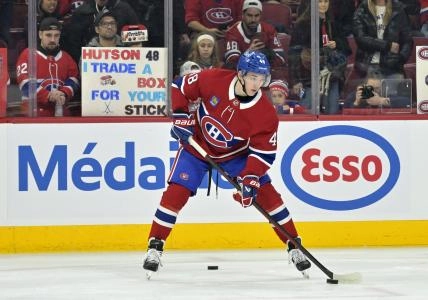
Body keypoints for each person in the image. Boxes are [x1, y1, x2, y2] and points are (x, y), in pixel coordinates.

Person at [142, 50, 311, 278]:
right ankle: (155, 246)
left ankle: (294, 246)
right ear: (240, 74)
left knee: (268, 195)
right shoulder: (213, 79)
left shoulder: (265, 114)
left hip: (236, 156)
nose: (258, 83)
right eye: (253, 77)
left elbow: (262, 153)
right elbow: (180, 86)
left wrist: (250, 178)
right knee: (176, 192)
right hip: (197, 146)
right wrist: (181, 115)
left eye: (262, 78)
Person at [16, 17, 80, 117]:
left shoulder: (67, 57)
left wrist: (64, 92)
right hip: (32, 113)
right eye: (48, 35)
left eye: (56, 35)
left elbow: (74, 80)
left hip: (61, 111)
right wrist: (48, 95)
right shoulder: (27, 55)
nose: (52, 39)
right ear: (40, 34)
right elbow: (25, 84)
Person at [352, 0, 413, 80]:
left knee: (396, 92)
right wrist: (387, 45)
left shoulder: (398, 8)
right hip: (368, 66)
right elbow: (361, 38)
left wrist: (401, 58)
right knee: (368, 92)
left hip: (393, 67)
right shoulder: (363, 9)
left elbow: (407, 40)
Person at [63, 0, 139, 63]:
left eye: (112, 23)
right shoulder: (81, 12)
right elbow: (73, 42)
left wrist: (134, 50)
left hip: (123, 58)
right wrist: (83, 60)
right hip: (91, 59)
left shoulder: (124, 9)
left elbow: (137, 35)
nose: (109, 26)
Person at [224, 0, 286, 69]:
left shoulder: (269, 30)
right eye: (249, 15)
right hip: (242, 75)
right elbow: (231, 63)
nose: (253, 20)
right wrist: (249, 53)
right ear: (243, 15)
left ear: (261, 15)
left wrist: (262, 60)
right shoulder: (233, 33)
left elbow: (281, 58)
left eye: (256, 16)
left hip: (265, 73)